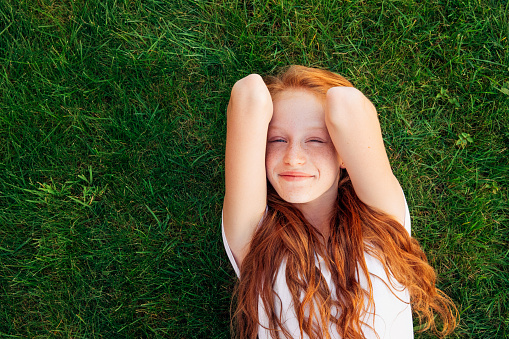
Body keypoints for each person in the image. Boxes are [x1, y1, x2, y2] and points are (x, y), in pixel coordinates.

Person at [222, 65, 457, 339]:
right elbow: (248, 95)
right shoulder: (255, 236)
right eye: (277, 139)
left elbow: (347, 105)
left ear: (343, 151)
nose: (293, 157)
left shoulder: (382, 223)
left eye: (316, 140)